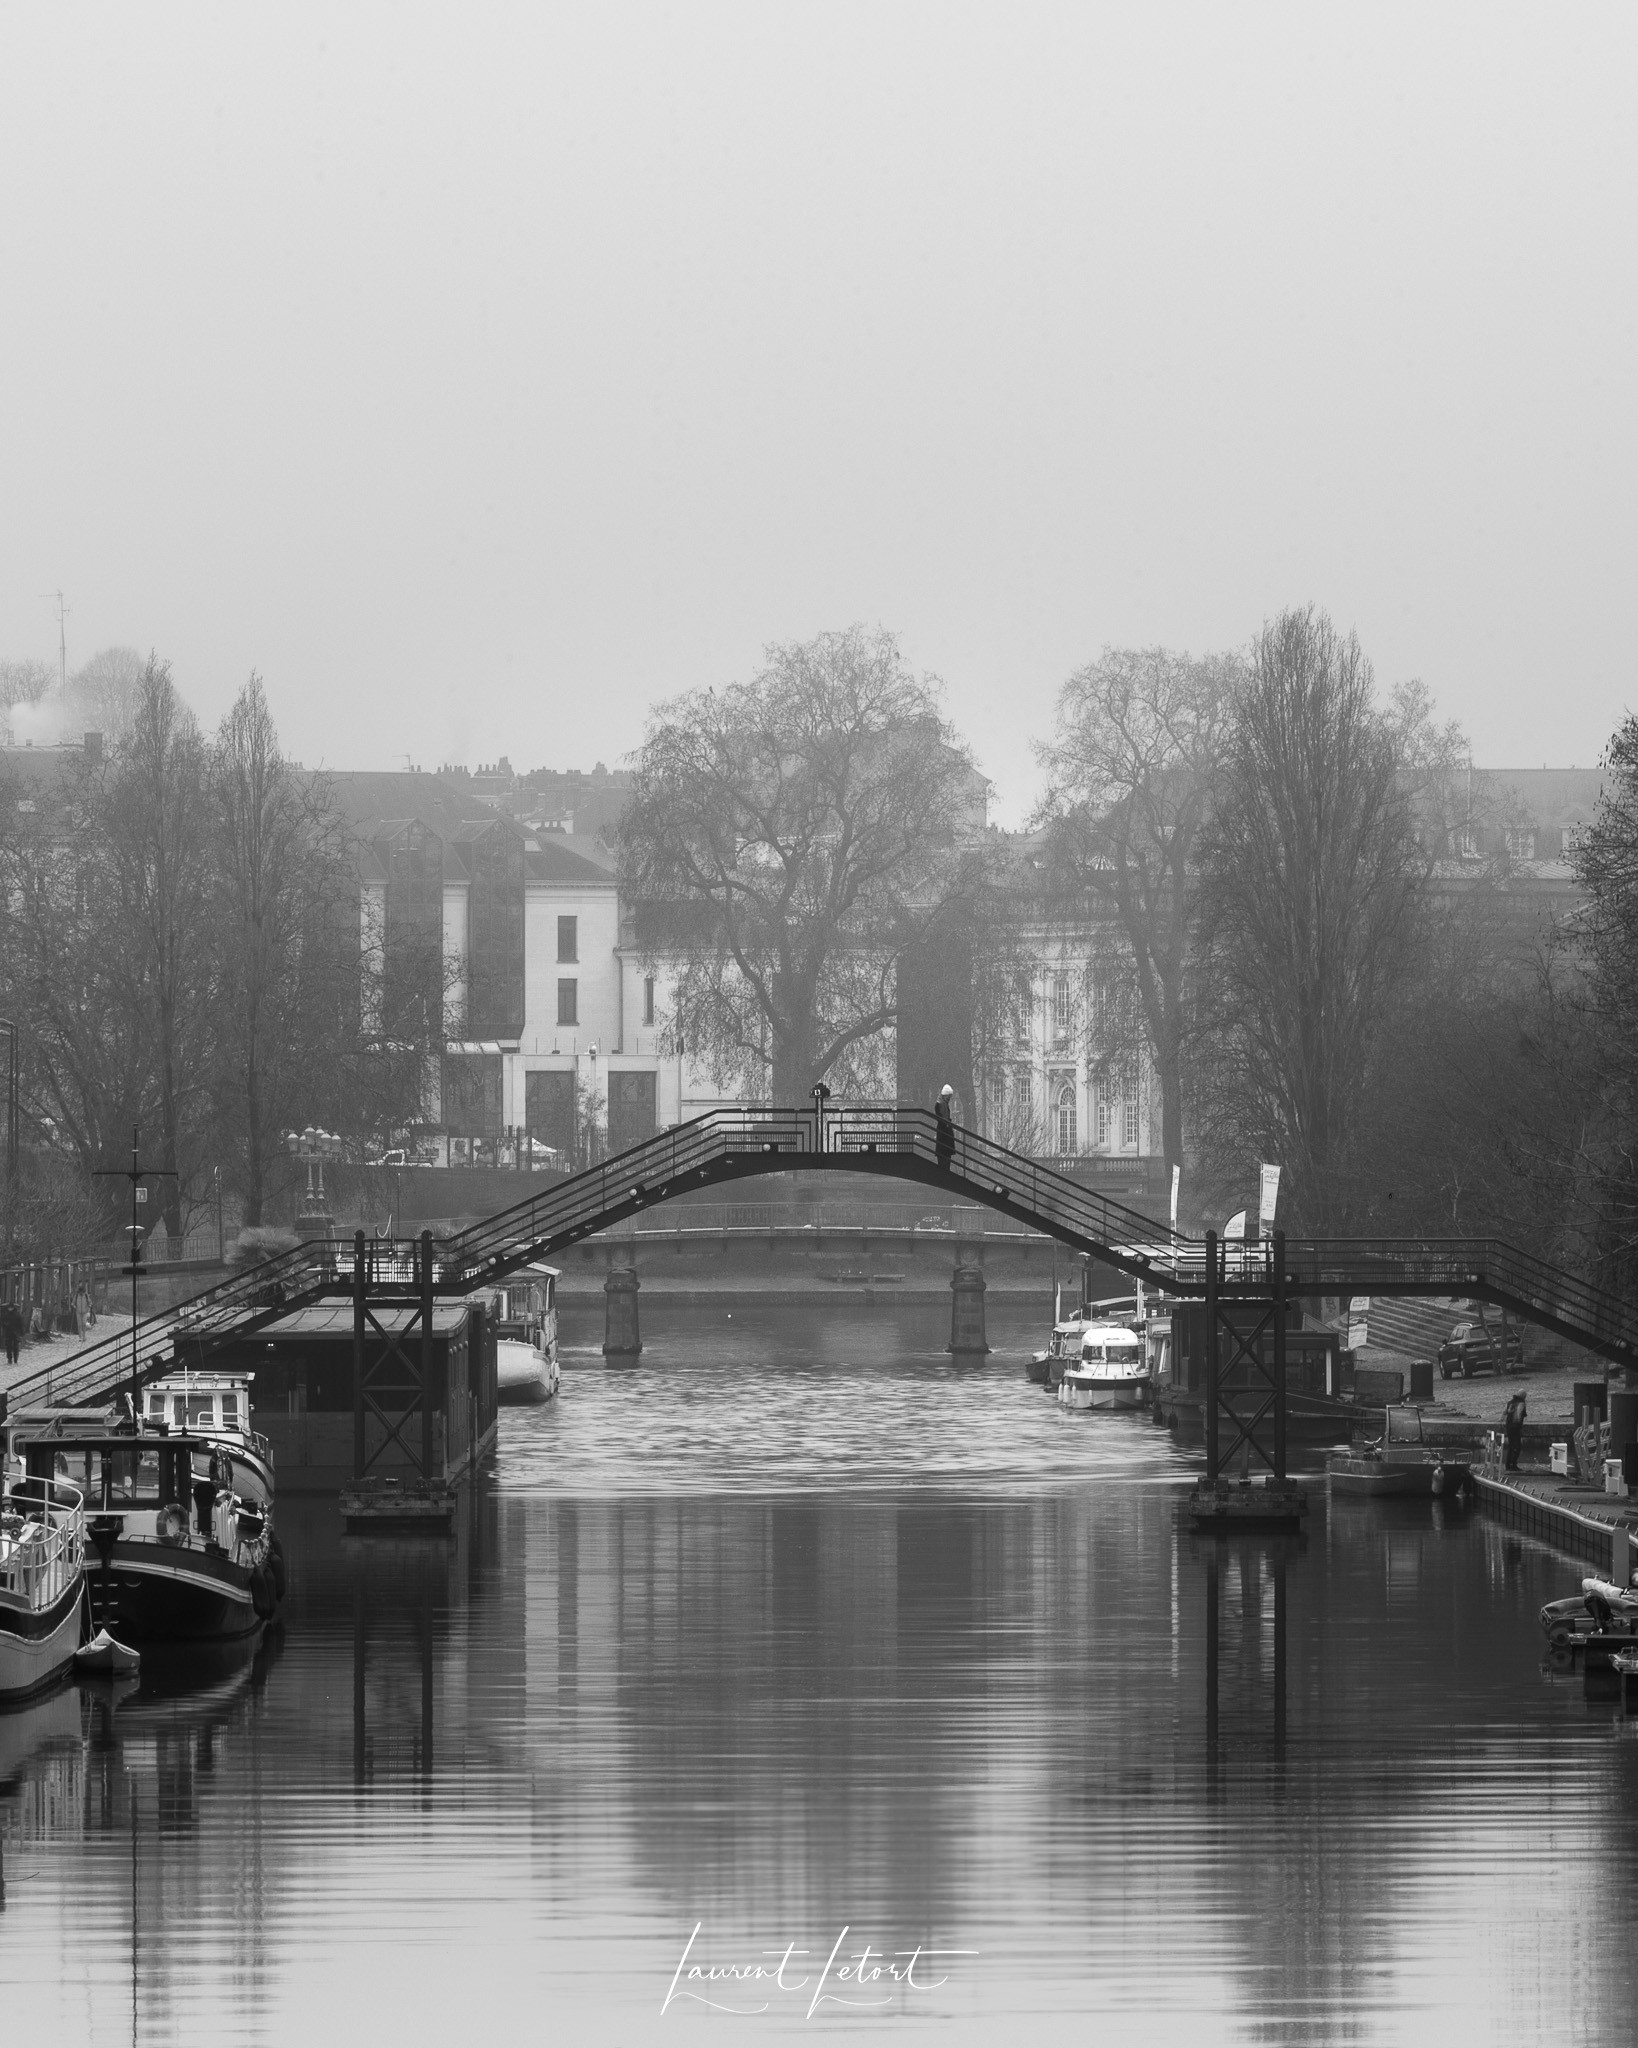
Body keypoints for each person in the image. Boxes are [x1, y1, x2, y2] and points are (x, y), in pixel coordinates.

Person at [1503, 1389, 1528, 1472]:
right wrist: (1518, 1425)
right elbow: (1520, 1415)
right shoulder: (1522, 1403)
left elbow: (1504, 1412)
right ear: (1523, 1396)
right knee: (1517, 1446)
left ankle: (1508, 1465)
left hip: (1508, 1426)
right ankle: (1513, 1465)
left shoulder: (1510, 1402)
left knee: (1511, 1446)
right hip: (1515, 1427)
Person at [935, 1084, 956, 1172]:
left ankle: (944, 1171)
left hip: (944, 1133)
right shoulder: (941, 1104)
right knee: (945, 1154)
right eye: (949, 1096)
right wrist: (947, 1124)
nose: (950, 1098)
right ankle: (944, 1171)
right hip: (944, 1134)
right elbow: (942, 1118)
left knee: (944, 1154)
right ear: (946, 1095)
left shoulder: (941, 1104)